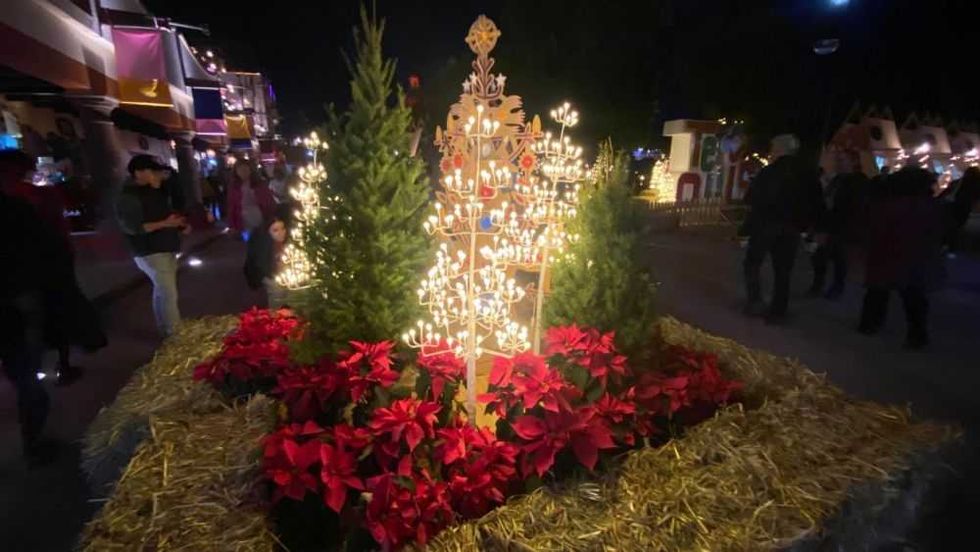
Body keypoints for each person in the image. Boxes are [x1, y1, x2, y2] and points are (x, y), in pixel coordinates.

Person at [1, 190, 74, 464]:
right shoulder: (16, 207)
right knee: (25, 374)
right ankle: (33, 444)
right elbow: (45, 247)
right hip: (17, 299)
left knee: (24, 373)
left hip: (16, 298)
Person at [741, 134, 825, 323]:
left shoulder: (769, 172)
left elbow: (751, 198)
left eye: (773, 148)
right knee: (783, 270)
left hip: (765, 225)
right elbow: (817, 203)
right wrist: (814, 226)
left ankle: (755, 301)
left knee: (752, 263)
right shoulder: (807, 174)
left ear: (779, 149)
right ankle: (778, 309)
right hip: (791, 228)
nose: (770, 152)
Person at [859, 165, 943, 349]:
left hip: (889, 252)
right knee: (913, 295)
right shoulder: (929, 205)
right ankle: (917, 334)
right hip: (915, 255)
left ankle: (870, 324)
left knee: (879, 290)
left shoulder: (891, 204)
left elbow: (877, 227)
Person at [116, 154, 187, 337]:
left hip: (165, 246)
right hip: (150, 250)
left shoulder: (154, 191)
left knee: (162, 291)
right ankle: (175, 334)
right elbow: (133, 227)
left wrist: (179, 224)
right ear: (138, 173)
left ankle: (166, 329)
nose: (157, 175)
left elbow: (166, 212)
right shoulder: (129, 196)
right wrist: (166, 224)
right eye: (152, 171)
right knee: (168, 293)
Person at [809, 150, 868, 299]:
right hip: (830, 224)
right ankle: (820, 284)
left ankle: (836, 286)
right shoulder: (837, 180)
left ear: (853, 162)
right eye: (838, 160)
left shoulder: (858, 181)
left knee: (839, 258)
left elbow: (855, 206)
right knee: (820, 256)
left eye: (842, 160)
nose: (839, 164)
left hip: (843, 226)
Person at [244, 211, 290, 308]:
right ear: (268, 232)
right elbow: (264, 268)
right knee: (277, 289)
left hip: (284, 272)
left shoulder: (288, 242)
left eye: (283, 228)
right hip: (266, 273)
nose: (281, 233)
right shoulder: (263, 246)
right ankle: (275, 315)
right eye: (275, 230)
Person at [226, 159, 275, 239]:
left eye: (245, 169)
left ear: (250, 170)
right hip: (242, 219)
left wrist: (270, 217)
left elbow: (269, 202)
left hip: (258, 216)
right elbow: (231, 206)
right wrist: (231, 225)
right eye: (240, 169)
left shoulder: (259, 184)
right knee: (248, 241)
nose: (243, 172)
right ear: (236, 172)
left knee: (261, 240)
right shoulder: (234, 187)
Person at [939, 167, 980, 255]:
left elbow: (943, 195)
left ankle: (953, 249)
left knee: (956, 229)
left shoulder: (957, 183)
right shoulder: (976, 184)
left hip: (957, 209)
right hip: (972, 213)